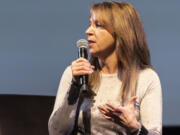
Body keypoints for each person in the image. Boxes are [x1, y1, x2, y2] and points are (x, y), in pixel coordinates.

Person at [48, 1, 162, 135]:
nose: (88, 31)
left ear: (120, 32)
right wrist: (75, 86)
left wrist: (135, 128)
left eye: (98, 25)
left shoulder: (146, 78)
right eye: (90, 24)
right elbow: (56, 131)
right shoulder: (76, 73)